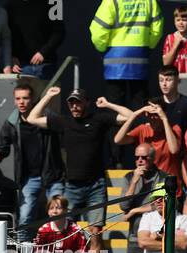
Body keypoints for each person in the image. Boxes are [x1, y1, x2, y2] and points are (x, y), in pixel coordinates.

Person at [27, 86, 128, 232]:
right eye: (71, 103)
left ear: (87, 102)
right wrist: (48, 96)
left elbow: (130, 116)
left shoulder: (98, 118)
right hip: (72, 186)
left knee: (95, 233)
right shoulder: (64, 121)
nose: (74, 106)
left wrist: (108, 104)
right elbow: (32, 118)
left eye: (78, 102)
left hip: (96, 185)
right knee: (65, 231)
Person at [0, 82, 64, 229]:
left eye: (25, 98)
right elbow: (2, 147)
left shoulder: (47, 116)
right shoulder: (12, 122)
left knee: (59, 218)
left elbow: (64, 128)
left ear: (32, 99)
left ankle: (58, 249)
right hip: (29, 178)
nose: (21, 102)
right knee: (24, 218)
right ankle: (24, 250)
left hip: (53, 175)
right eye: (18, 99)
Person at [90, 0, 164, 111]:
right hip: (140, 62)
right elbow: (157, 29)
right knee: (141, 109)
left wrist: (103, 49)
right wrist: (148, 46)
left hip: (115, 65)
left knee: (115, 110)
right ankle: (140, 134)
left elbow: (98, 30)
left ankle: (116, 134)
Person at [6, 0, 64, 78]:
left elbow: (59, 32)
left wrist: (43, 52)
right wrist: (12, 57)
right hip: (21, 66)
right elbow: (7, 36)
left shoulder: (53, 2)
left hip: (46, 64)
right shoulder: (10, 6)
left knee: (48, 95)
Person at [114, 100, 183, 182]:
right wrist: (134, 115)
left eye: (156, 115)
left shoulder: (174, 129)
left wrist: (164, 118)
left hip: (168, 184)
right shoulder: (142, 129)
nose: (152, 118)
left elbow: (174, 150)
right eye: (150, 115)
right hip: (147, 185)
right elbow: (118, 140)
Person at [150, 66, 187, 134]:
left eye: (168, 80)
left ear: (177, 80)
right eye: (161, 80)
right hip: (159, 144)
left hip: (181, 143)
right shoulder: (154, 103)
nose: (164, 84)